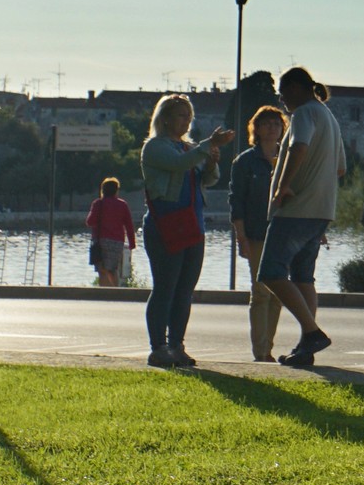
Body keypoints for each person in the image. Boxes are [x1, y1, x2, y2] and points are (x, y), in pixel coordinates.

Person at [140, 95, 231, 367]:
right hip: (166, 224)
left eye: (189, 117)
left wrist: (212, 160)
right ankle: (158, 347)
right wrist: (208, 146)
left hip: (193, 223)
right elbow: (180, 164)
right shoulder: (155, 147)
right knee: (165, 287)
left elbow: (209, 178)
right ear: (165, 117)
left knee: (184, 290)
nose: (186, 121)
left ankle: (177, 345)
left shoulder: (190, 147)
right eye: (181, 115)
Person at [264, 66, 344, 366]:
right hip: (321, 209)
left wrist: (284, 186)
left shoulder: (304, 114)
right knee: (302, 276)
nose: (283, 100)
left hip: (297, 208)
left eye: (283, 93)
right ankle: (305, 348)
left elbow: (299, 147)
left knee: (271, 271)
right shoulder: (330, 117)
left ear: (297, 88)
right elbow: (341, 168)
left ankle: (311, 332)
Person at [230, 105, 288, 360]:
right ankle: (260, 351)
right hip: (255, 234)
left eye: (276, 123)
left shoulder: (289, 159)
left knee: (278, 296)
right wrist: (240, 236)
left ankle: (269, 349)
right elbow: (237, 202)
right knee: (261, 292)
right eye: (266, 123)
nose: (272, 127)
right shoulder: (245, 162)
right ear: (256, 128)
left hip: (284, 234)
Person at [85, 177, 136, 288]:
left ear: (103, 190)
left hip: (100, 241)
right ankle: (116, 292)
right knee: (113, 269)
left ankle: (103, 294)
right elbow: (129, 226)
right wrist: (132, 243)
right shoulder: (123, 205)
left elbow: (89, 222)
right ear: (116, 190)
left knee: (102, 270)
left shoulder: (98, 204)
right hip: (117, 242)